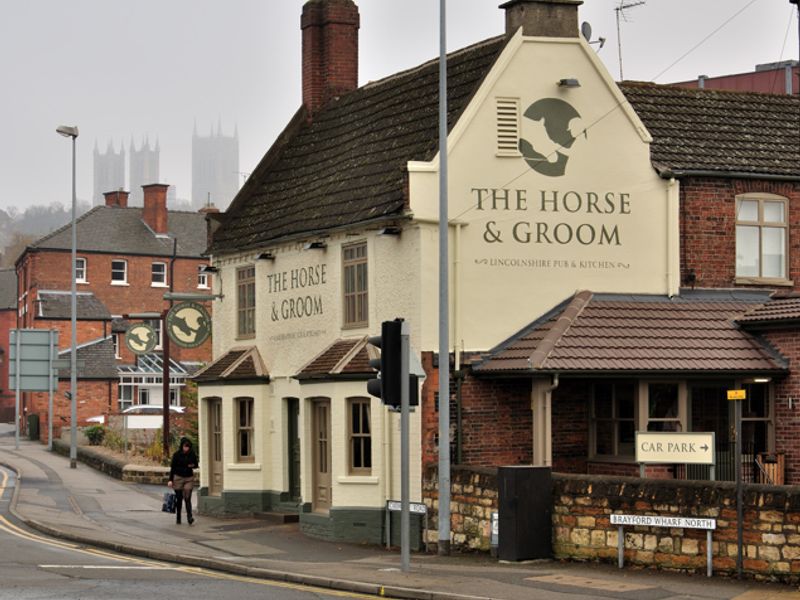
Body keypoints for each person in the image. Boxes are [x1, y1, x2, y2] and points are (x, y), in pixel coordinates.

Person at [168, 437, 198, 525]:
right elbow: (172, 468)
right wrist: (170, 480)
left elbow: (196, 464)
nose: (186, 448)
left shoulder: (192, 454)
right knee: (179, 498)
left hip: (189, 477)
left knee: (187, 497)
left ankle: (190, 517)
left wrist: (191, 465)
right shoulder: (176, 455)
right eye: (185, 446)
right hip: (178, 478)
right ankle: (178, 517)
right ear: (182, 446)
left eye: (188, 447)